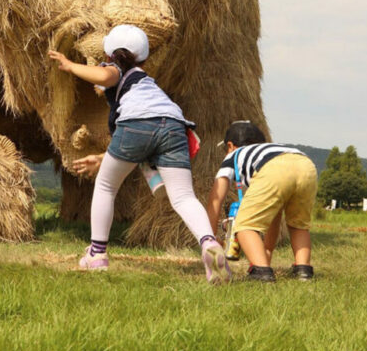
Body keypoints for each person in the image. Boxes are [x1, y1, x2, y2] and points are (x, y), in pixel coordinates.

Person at [48, 24, 230, 282]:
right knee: (183, 197)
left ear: (111, 53)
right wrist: (103, 158)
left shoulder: (117, 69)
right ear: (143, 57)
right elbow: (145, 137)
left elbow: (105, 80)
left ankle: (97, 254)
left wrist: (70, 65)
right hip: (175, 125)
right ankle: (209, 243)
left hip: (137, 125)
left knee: (106, 186)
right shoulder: (146, 82)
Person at [206, 120, 317, 282]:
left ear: (230, 145)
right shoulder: (270, 149)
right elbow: (275, 215)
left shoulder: (233, 156)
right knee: (298, 225)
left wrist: (210, 238)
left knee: (244, 225)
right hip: (306, 165)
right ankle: (303, 270)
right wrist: (267, 252)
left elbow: (215, 200)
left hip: (274, 169)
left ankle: (261, 272)